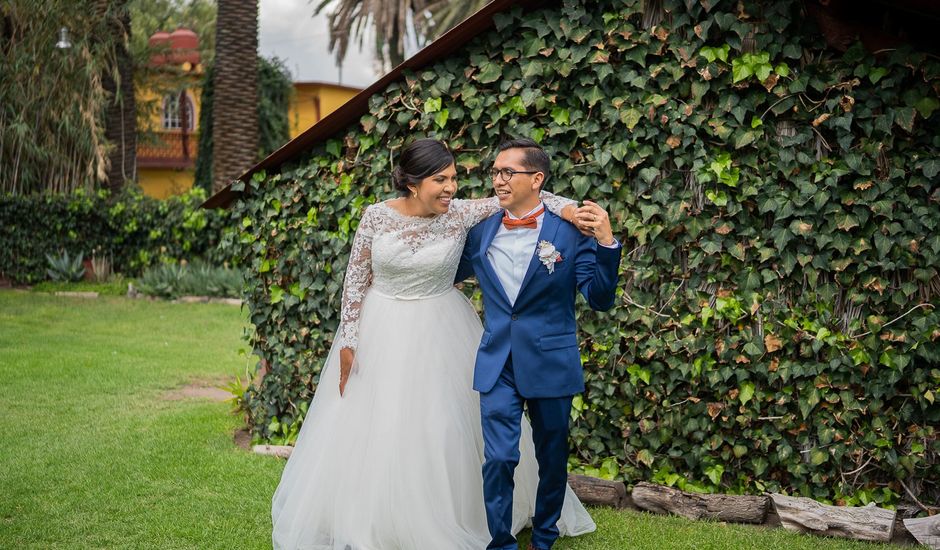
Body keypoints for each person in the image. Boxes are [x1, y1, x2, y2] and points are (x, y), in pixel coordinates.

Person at [271, 138, 597, 549]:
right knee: (375, 425)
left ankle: (451, 514)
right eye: (440, 180)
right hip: (380, 328)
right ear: (411, 183)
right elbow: (355, 280)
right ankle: (372, 516)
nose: (451, 188)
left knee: (442, 426)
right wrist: (349, 341)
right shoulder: (375, 217)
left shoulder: (461, 213)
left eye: (454, 179)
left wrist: (566, 208)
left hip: (441, 330)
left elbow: (526, 193)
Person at [455, 138, 621, 550]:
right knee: (498, 458)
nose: (498, 180)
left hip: (551, 360)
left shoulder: (570, 231)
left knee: (551, 457)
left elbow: (599, 299)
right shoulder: (479, 233)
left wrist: (606, 243)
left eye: (508, 172)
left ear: (537, 179)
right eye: (495, 172)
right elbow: (444, 271)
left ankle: (544, 537)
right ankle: (500, 542)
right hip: (497, 361)